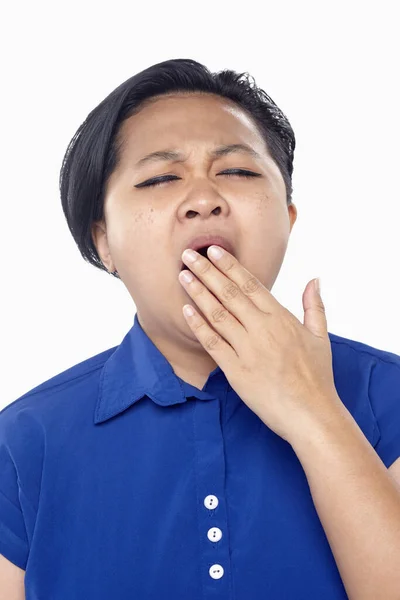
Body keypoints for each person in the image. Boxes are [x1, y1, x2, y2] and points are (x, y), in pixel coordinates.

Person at [1, 58, 400, 600]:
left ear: (288, 217)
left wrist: (313, 410)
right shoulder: (23, 441)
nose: (204, 198)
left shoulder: (388, 394)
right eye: (161, 178)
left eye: (236, 171)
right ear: (104, 242)